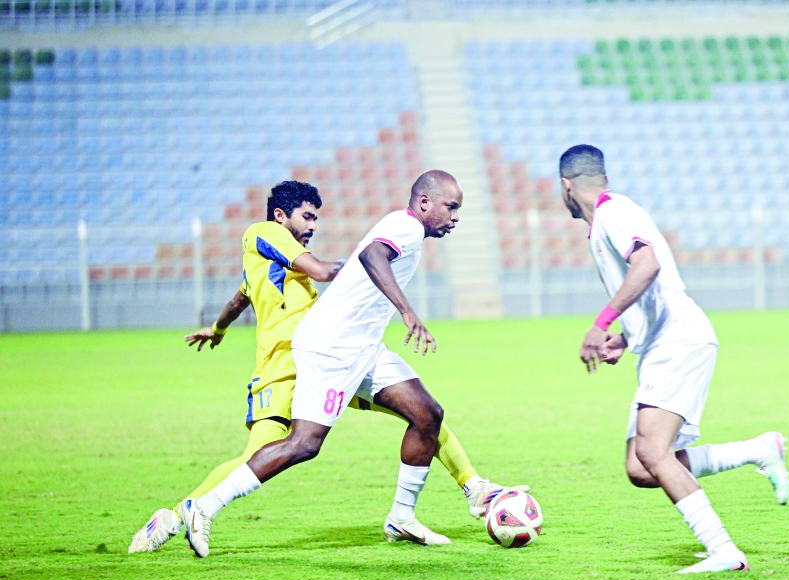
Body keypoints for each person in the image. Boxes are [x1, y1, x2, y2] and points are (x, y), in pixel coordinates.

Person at [130, 178, 522, 555]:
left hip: (356, 348)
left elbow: (240, 298)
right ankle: (191, 510)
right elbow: (350, 262)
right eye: (307, 217)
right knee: (293, 446)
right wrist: (400, 305)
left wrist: (217, 329)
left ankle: (447, 500)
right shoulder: (265, 234)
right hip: (302, 362)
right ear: (281, 216)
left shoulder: (281, 266)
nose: (313, 226)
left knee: (425, 412)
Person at [558, 145, 789, 574]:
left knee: (652, 449)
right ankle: (759, 449)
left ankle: (724, 550)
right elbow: (650, 291)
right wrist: (624, 339)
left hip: (679, 342)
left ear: (566, 187)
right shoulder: (605, 221)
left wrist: (601, 321)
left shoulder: (614, 212)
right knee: (642, 467)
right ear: (603, 179)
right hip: (662, 344)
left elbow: (646, 266)